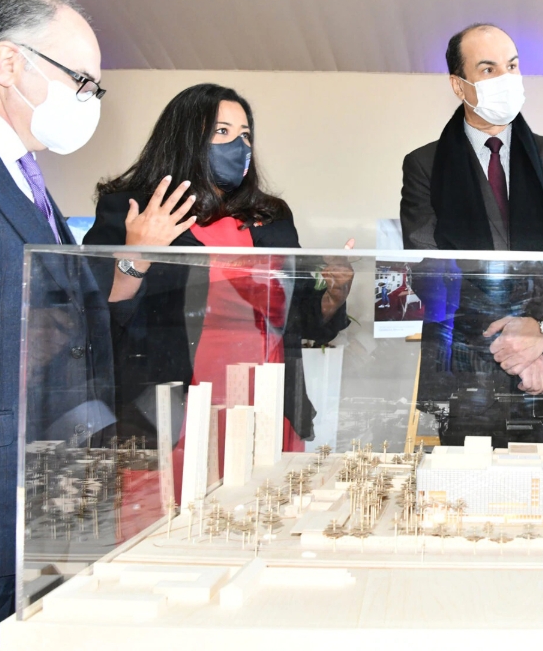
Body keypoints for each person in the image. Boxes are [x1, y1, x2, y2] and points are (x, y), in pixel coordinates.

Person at [0, 0, 110, 650]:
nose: (89, 101)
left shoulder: (24, 175)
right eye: (81, 81)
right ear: (9, 62)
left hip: (40, 505)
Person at [84, 84, 353, 477]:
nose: (239, 145)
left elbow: (299, 321)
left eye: (245, 135)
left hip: (268, 397)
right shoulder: (135, 208)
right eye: (222, 132)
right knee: (178, 521)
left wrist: (334, 292)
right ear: (185, 138)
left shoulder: (272, 215)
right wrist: (137, 253)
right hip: (174, 403)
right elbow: (99, 316)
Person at [400, 24, 543, 453]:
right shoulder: (424, 166)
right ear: (460, 84)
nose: (505, 79)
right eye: (488, 69)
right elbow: (433, 270)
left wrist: (537, 329)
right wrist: (513, 344)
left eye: (511, 66)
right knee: (471, 504)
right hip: (469, 370)